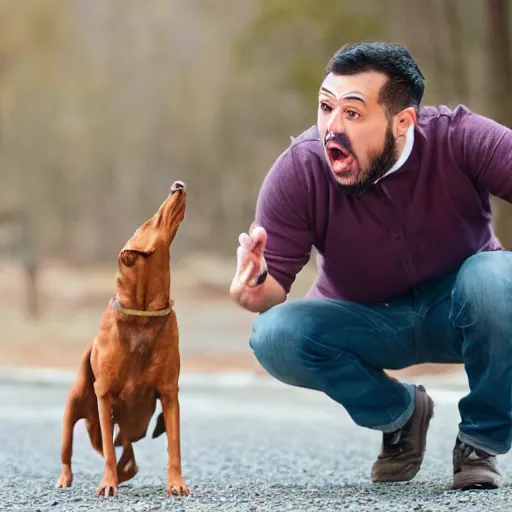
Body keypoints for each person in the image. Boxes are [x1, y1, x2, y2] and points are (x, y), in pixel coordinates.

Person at [229, 41, 512, 491]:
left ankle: (481, 440)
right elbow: (272, 290)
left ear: (403, 122)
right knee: (274, 333)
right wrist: (251, 288)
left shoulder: (459, 137)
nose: (331, 128)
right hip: (366, 321)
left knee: (498, 277)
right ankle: (400, 417)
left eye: (352, 113)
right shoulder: (300, 170)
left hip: (463, 312)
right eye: (326, 108)